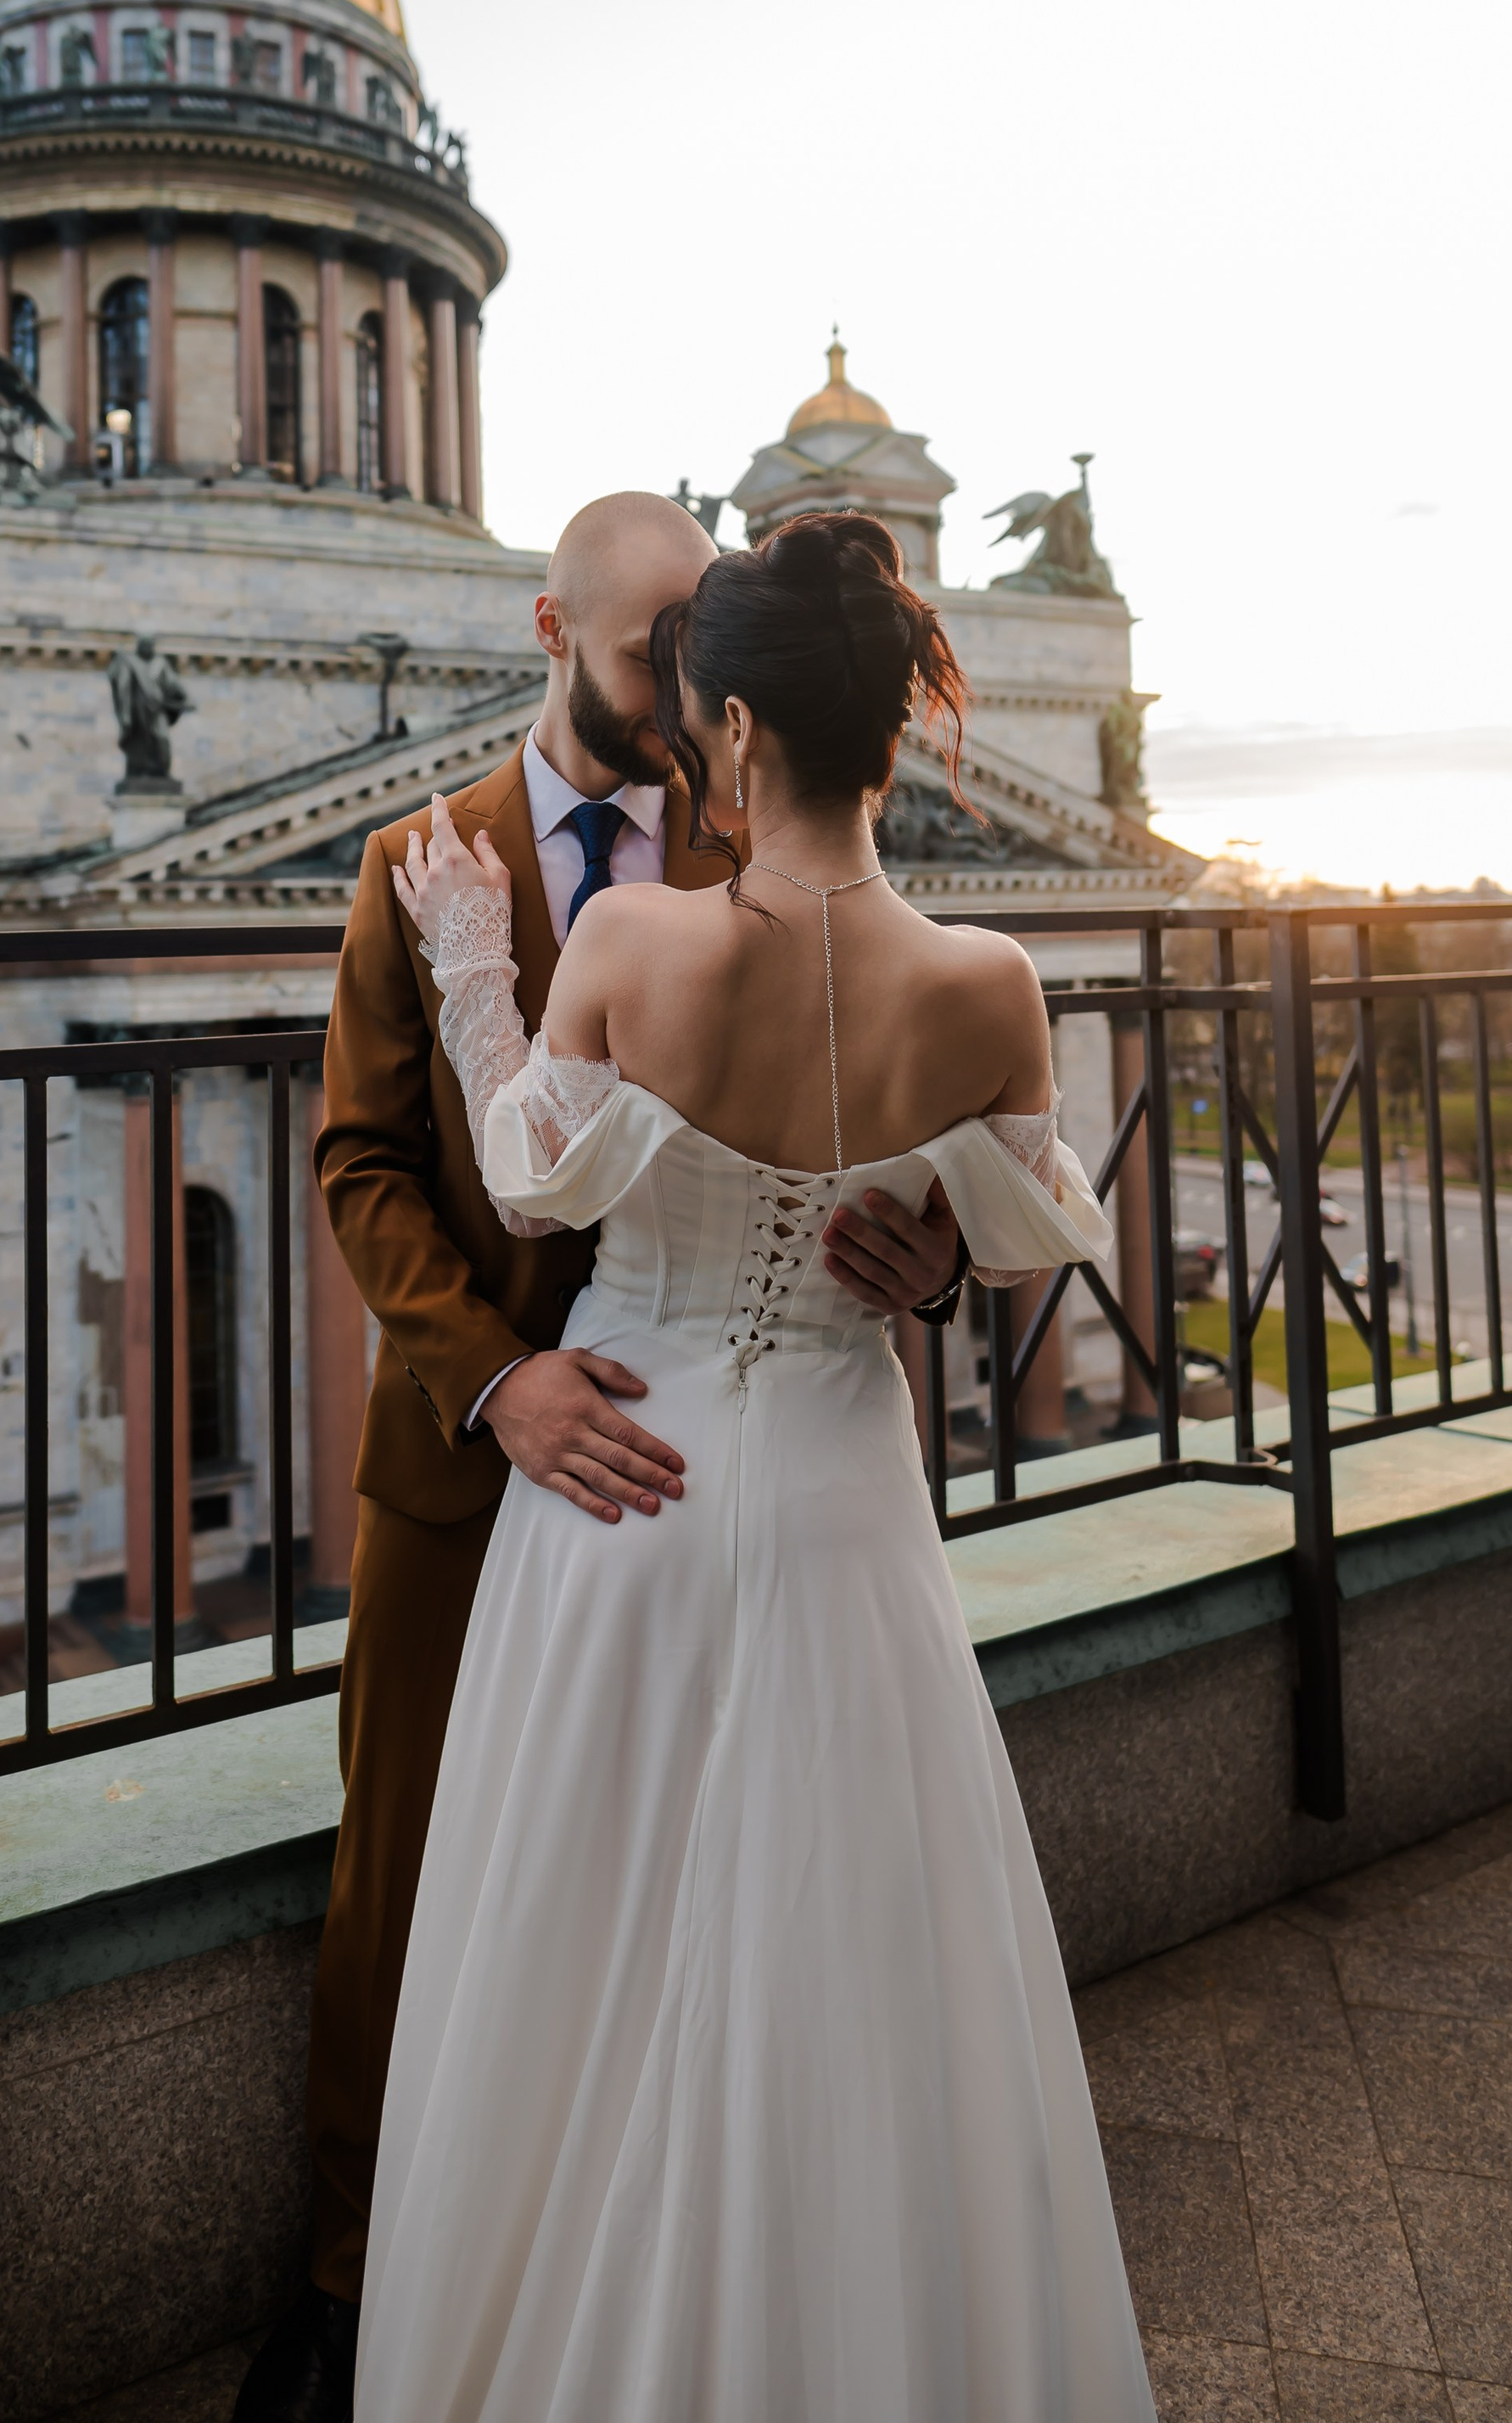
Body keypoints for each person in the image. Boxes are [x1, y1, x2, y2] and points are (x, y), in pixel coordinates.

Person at [353, 508, 1155, 2422]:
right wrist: (922, 1230)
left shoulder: (628, 941)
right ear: (896, 730)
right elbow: (1037, 1225)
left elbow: (533, 1168)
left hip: (624, 1481)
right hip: (837, 1501)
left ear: (723, 731)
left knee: (575, 1944)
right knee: (860, 1956)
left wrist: (473, 972)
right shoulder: (987, 982)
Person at [233, 495, 962, 2423]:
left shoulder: (762, 804)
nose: (679, 692)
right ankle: (359, 2296)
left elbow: (894, 1100)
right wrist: (497, 1380)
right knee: (409, 1898)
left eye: (695, 658)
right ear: (550, 624)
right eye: (650, 651)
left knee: (685, 1891)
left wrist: (934, 1241)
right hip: (475, 1472)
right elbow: (363, 1164)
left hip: (707, 1485)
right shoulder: (426, 860)